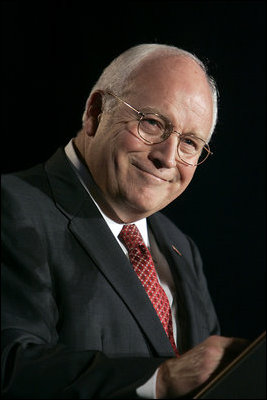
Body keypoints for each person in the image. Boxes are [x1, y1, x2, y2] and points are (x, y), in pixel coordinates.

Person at [1, 43, 248, 399]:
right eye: (152, 123)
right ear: (95, 112)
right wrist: (161, 380)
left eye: (190, 143)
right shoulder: (13, 207)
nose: (167, 157)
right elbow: (11, 367)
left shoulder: (181, 248)